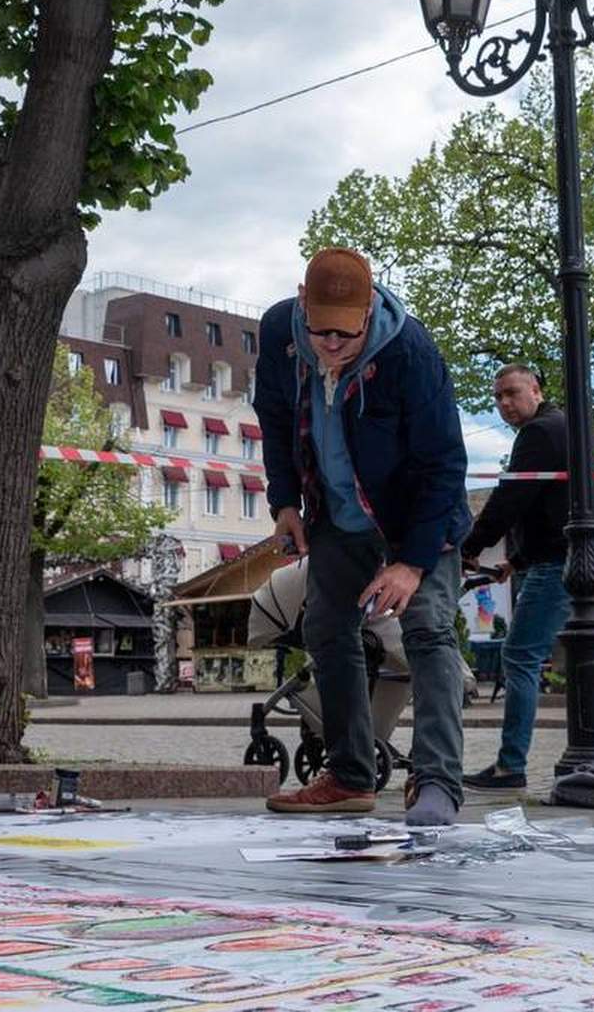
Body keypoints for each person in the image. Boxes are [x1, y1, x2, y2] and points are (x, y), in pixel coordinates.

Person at [254, 247, 472, 826]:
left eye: (345, 335)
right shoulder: (277, 333)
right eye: (319, 330)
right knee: (326, 627)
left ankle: (437, 781)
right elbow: (273, 417)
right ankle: (350, 775)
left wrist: (411, 564)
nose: (330, 345)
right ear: (301, 302)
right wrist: (284, 502)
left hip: (415, 517)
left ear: (370, 308)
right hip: (337, 511)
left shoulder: (409, 351)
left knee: (427, 630)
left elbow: (444, 463)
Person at [459, 365, 594, 790]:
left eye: (511, 393)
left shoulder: (538, 432)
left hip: (561, 563)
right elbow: (554, 504)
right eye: (498, 397)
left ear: (535, 391)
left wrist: (471, 546)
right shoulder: (565, 427)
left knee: (520, 657)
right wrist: (517, 561)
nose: (504, 403)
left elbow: (511, 498)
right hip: (587, 558)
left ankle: (510, 766)